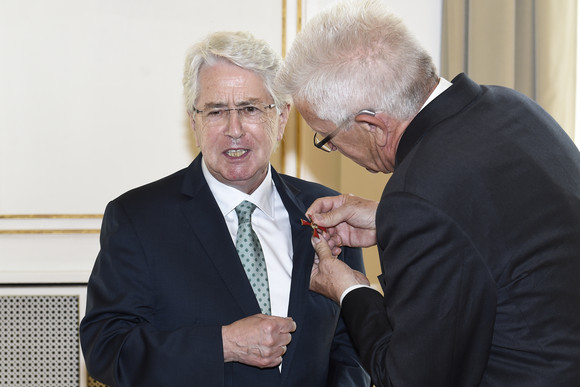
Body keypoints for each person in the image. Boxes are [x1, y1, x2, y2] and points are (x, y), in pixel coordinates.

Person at [276, 0, 580, 386]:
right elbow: (487, 224)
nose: (333, 150)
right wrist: (385, 216)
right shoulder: (512, 105)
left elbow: (407, 379)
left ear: (372, 125)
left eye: (328, 139)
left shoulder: (418, 198)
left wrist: (349, 290)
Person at [80, 31, 370, 387]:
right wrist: (222, 345)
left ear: (281, 119)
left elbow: (351, 345)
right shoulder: (138, 218)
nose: (234, 130)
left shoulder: (327, 214)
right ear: (194, 122)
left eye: (250, 109)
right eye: (216, 111)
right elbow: (107, 348)